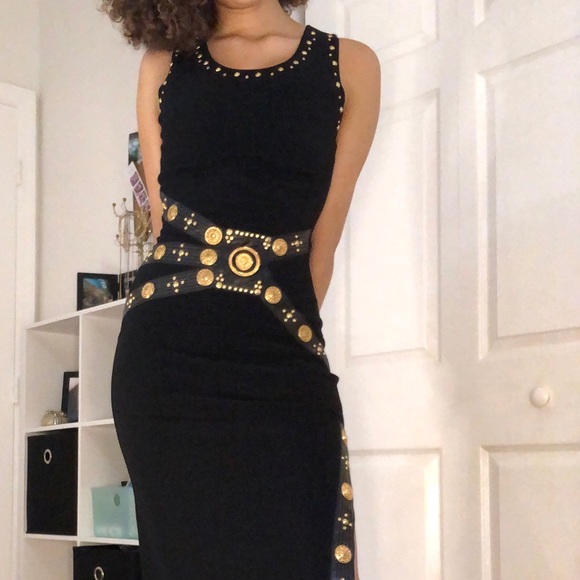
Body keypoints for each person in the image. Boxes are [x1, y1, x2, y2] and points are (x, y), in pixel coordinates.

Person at [103, 0, 380, 577]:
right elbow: (165, 226)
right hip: (167, 365)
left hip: (282, 356)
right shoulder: (163, 64)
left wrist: (283, 335)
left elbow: (321, 247)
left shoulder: (351, 65)